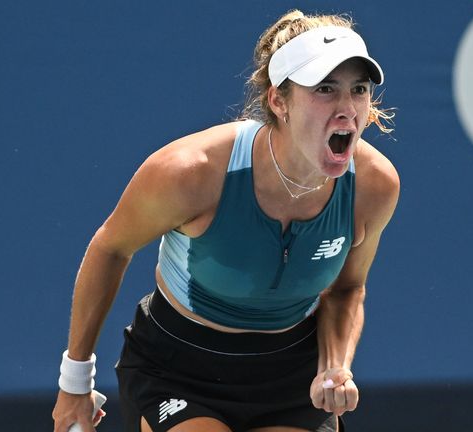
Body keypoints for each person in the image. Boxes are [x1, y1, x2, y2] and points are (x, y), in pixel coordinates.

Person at [52, 9, 399, 432]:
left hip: (291, 376)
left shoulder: (374, 186)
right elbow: (111, 248)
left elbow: (347, 289)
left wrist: (334, 368)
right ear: (278, 100)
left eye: (358, 89)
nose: (347, 109)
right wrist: (75, 384)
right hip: (178, 368)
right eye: (325, 89)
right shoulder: (191, 172)